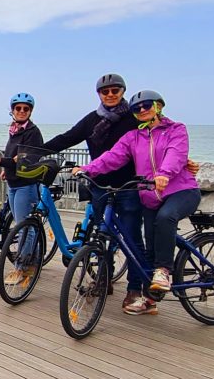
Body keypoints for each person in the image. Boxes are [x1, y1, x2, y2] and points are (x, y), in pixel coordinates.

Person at [76, 90, 200, 314]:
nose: (142, 110)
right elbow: (112, 157)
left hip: (181, 190)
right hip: (151, 196)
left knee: (165, 218)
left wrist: (164, 173)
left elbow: (176, 153)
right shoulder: (133, 137)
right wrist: (87, 169)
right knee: (149, 245)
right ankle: (150, 300)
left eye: (147, 105)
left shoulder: (176, 129)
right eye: (137, 108)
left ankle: (163, 270)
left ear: (158, 106)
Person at [40, 73, 147, 312]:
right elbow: (67, 138)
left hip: (129, 187)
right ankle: (103, 280)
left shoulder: (134, 118)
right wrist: (37, 151)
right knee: (103, 236)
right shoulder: (92, 120)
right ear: (98, 94)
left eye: (115, 90)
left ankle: (134, 290)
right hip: (99, 187)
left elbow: (156, 139)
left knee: (131, 239)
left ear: (122, 92)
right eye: (105, 91)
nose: (110, 95)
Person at [0, 93, 44, 285]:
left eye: (25, 109)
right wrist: (7, 171)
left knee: (24, 227)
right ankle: (31, 264)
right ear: (12, 110)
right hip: (14, 182)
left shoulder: (33, 132)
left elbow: (23, 158)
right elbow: (14, 155)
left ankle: (21, 268)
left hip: (26, 184)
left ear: (30, 111)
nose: (21, 111)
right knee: (23, 225)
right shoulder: (15, 130)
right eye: (18, 108)